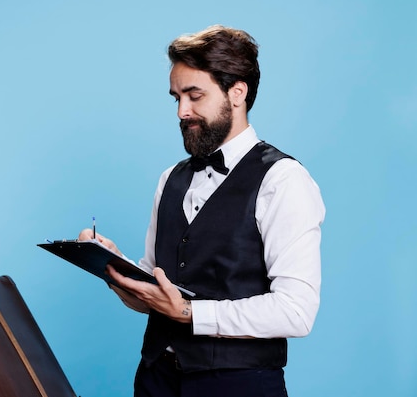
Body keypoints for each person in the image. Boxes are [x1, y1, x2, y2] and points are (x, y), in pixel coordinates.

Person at [78, 25, 325, 397]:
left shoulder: (283, 180)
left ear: (237, 92)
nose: (182, 111)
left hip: (239, 385)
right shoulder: (171, 178)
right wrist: (114, 269)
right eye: (176, 97)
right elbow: (156, 290)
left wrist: (190, 313)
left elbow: (296, 311)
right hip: (156, 378)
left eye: (195, 96)